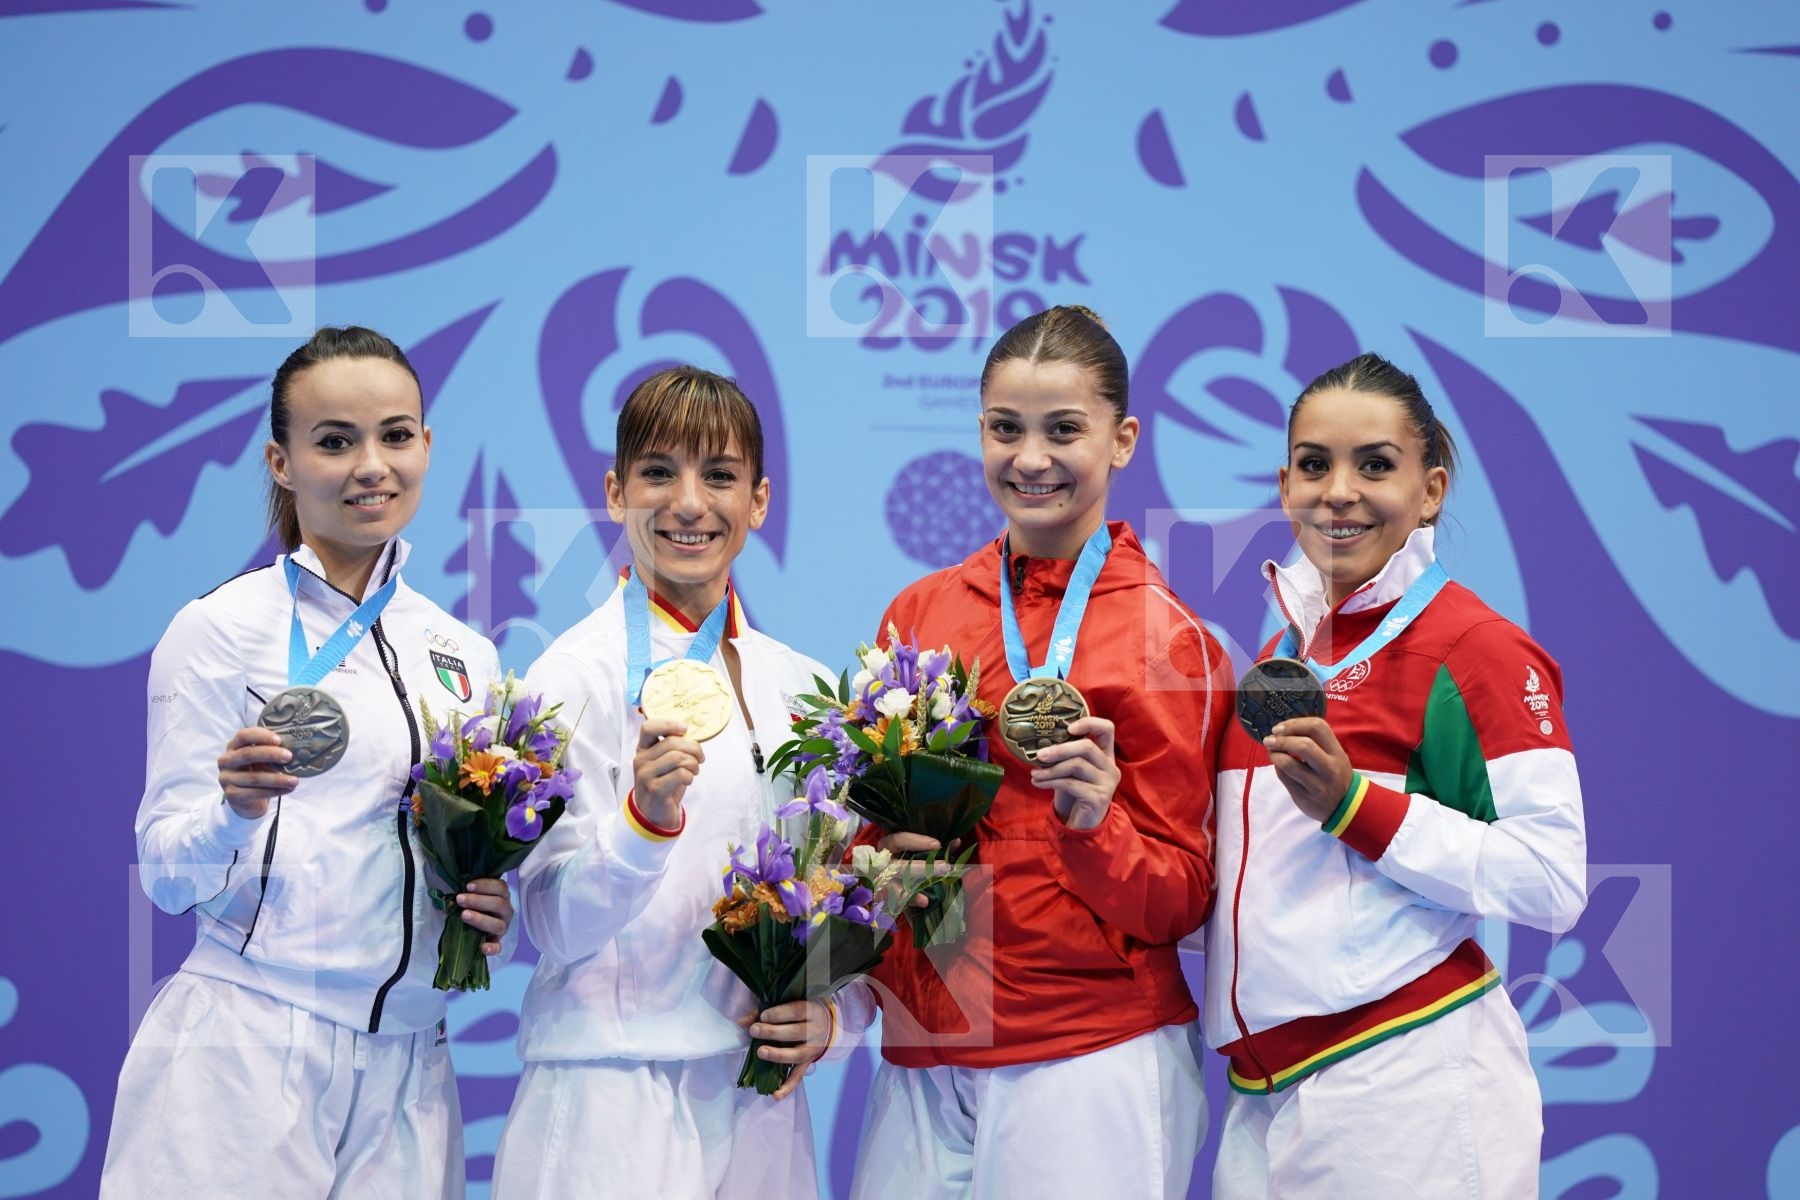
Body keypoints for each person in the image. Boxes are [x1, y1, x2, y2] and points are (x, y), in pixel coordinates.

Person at [101, 326, 514, 1199]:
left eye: (396, 435)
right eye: (335, 441)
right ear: (281, 462)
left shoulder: (465, 654)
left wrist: (485, 900)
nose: (372, 465)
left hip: (411, 1064)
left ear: (427, 445)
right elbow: (168, 875)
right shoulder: (220, 631)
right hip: (245, 1052)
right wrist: (232, 810)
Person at [846, 305, 1233, 1200]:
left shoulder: (1170, 642)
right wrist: (878, 858)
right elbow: (869, 827)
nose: (1030, 459)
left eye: (1065, 430)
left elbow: (1184, 897)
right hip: (925, 1043)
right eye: (1005, 429)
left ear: (1123, 439)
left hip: (1089, 1048)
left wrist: (1095, 825)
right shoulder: (920, 615)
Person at [1206, 353, 1588, 1198]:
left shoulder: (1475, 649)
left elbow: (1553, 881)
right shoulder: (1281, 657)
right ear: (1283, 484)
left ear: (1432, 490)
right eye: (1315, 464)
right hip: (1267, 1097)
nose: (1339, 490)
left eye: (1375, 464)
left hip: (1407, 1079)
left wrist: (1353, 806)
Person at [492, 366, 848, 1199]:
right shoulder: (572, 675)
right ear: (616, 492)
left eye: (719, 475)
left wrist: (833, 1017)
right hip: (611, 1096)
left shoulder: (799, 686)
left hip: (761, 1101)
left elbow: (837, 888)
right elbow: (551, 922)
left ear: (759, 500)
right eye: (659, 472)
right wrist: (644, 821)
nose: (689, 503)